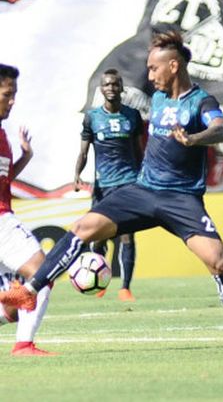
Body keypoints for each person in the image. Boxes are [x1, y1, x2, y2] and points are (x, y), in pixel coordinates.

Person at [0, 31, 223, 350]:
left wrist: (196, 138)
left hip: (181, 198)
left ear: (173, 66)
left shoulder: (201, 101)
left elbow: (220, 128)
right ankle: (29, 290)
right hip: (143, 190)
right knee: (82, 228)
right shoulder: (156, 98)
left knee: (218, 262)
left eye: (154, 68)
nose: (149, 74)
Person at [73, 69, 143, 302]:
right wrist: (76, 174)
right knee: (99, 236)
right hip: (103, 185)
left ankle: (125, 287)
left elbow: (138, 150)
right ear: (101, 89)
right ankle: (100, 281)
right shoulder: (92, 118)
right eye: (107, 84)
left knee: (126, 235)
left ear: (122, 88)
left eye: (115, 84)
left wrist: (144, 176)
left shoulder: (133, 116)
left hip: (129, 183)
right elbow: (84, 151)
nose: (111, 88)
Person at [0, 63, 55, 356]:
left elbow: (4, 180)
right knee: (42, 273)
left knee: (10, 306)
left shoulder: (2, 134)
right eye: (7, 94)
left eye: (15, 94)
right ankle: (24, 345)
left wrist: (25, 158)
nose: (12, 101)